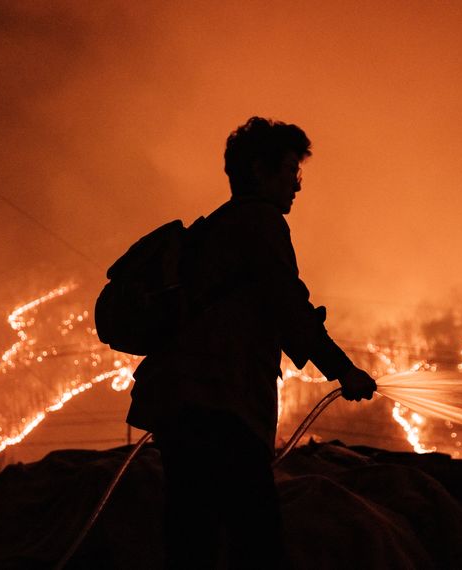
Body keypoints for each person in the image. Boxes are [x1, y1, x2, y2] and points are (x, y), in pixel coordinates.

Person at [126, 116, 377, 569]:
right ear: (260, 171)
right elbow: (289, 305)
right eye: (290, 171)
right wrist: (344, 371)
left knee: (192, 540)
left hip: (179, 405)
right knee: (256, 539)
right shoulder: (260, 222)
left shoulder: (214, 230)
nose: (296, 185)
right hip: (222, 408)